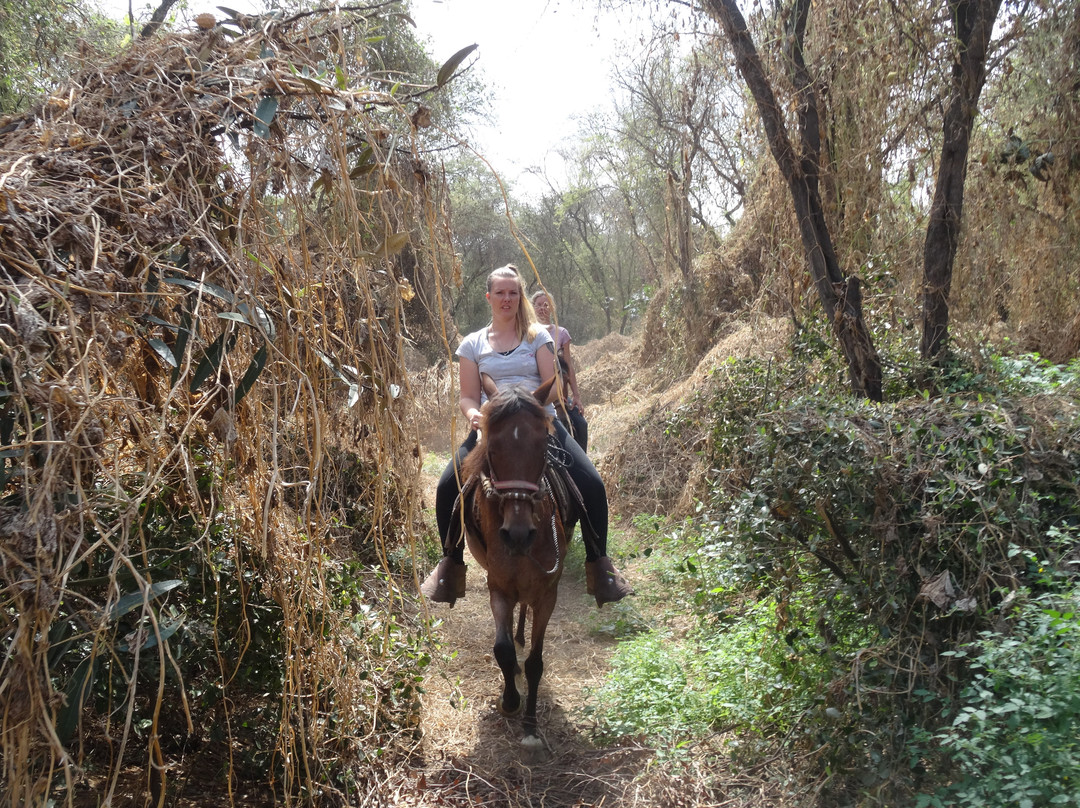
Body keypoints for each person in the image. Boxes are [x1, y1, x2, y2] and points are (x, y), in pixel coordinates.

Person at [420, 265, 632, 608]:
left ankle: (601, 566)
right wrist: (475, 414)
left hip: (539, 424)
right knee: (447, 485)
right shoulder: (472, 344)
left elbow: (555, 386)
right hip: (492, 430)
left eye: (513, 293)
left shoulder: (538, 337)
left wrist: (525, 405)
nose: (507, 299)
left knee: (592, 484)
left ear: (520, 298)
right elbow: (468, 396)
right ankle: (450, 564)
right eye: (501, 293)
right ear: (489, 297)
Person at [530, 289, 588, 452]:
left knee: (581, 424)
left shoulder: (561, 333)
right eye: (538, 305)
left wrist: (576, 396)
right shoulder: (529, 332)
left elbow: (568, 366)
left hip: (561, 396)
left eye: (546, 305)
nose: (542, 308)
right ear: (532, 308)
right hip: (539, 395)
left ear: (552, 308)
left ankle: (580, 465)